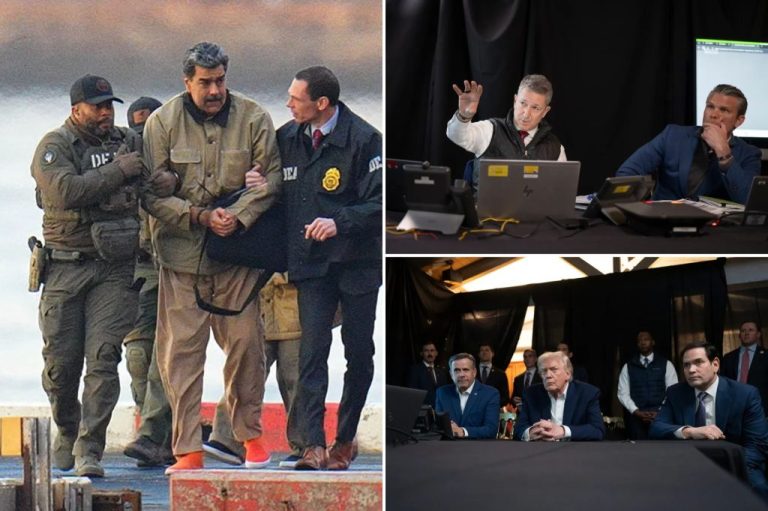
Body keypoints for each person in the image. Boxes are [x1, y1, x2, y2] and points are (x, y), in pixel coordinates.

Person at [141, 41, 282, 474]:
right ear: (188, 82)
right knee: (180, 355)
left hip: (237, 256)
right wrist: (199, 216)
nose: (215, 89)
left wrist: (236, 218)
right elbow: (148, 193)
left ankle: (250, 439)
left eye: (220, 80)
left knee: (246, 346)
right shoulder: (160, 123)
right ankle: (188, 450)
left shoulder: (255, 117)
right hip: (182, 258)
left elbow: (272, 179)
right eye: (205, 82)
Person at [247, 65, 381, 471]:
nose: (288, 105)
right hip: (310, 266)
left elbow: (380, 204)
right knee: (311, 353)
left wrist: (339, 221)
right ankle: (312, 445)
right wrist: (257, 180)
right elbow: (271, 186)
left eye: (296, 99)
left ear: (321, 104)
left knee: (358, 352)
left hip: (357, 262)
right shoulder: (285, 139)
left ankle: (344, 439)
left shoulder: (364, 139)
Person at [30, 74, 147, 477]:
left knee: (103, 359)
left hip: (114, 269)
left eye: (108, 106)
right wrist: (117, 172)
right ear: (75, 109)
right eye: (96, 106)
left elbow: (154, 179)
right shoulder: (54, 147)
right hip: (65, 268)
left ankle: (89, 450)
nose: (104, 114)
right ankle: (66, 426)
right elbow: (65, 192)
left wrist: (164, 179)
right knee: (61, 368)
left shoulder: (127, 142)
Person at [202, 273, 322, 469]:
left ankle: (304, 446)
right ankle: (228, 438)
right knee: (245, 368)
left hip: (294, 301)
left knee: (295, 374)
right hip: (259, 298)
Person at [121, 96, 175, 468]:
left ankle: (156, 432)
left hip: (172, 265)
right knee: (138, 355)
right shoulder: (122, 164)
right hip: (136, 270)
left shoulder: (173, 165)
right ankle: (153, 433)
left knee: (165, 355)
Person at [649, 341, 768, 497]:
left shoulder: (745, 394)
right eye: (686, 365)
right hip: (687, 465)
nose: (691, 370)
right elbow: (656, 427)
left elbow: (758, 445)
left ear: (715, 364)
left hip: (737, 464)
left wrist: (721, 470)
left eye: (698, 362)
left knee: (758, 488)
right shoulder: (675, 393)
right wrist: (689, 431)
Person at [616, 84, 761, 204]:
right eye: (710, 106)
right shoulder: (672, 135)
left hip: (713, 231)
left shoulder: (749, 154)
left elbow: (747, 199)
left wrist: (723, 152)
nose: (713, 114)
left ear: (739, 121)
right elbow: (626, 173)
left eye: (724, 110)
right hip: (663, 221)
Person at [446, 74, 566, 189]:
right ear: (515, 100)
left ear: (545, 111)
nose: (526, 113)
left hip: (534, 210)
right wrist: (464, 116)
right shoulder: (491, 129)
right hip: (488, 210)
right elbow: (456, 135)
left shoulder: (555, 148)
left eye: (535, 108)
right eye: (523, 103)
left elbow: (560, 190)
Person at [514, 351, 605, 441]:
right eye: (544, 371)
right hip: (540, 451)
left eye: (554, 370)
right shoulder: (531, 394)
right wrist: (530, 432)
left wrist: (563, 431)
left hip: (575, 452)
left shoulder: (587, 393)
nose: (548, 375)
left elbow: (597, 430)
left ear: (568, 374)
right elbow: (519, 429)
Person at [617, 331, 678, 440]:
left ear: (653, 342)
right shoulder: (628, 366)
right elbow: (623, 393)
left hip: (661, 417)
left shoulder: (666, 364)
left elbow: (672, 391)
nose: (643, 342)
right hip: (636, 417)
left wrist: (660, 412)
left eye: (646, 339)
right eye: (640, 340)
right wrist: (636, 411)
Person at [435, 353, 500, 439]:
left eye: (465, 370)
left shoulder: (490, 394)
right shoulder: (442, 393)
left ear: (474, 372)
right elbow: (437, 427)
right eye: (457, 370)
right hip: (448, 448)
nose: (461, 374)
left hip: (478, 448)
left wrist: (463, 431)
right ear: (451, 374)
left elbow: (491, 430)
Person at [720, 321, 768, 417]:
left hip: (760, 406)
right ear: (739, 335)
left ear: (758, 334)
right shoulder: (729, 357)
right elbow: (723, 382)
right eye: (743, 330)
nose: (746, 333)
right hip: (734, 406)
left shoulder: (766, 355)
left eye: (750, 330)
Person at [406, 341, 451, 408]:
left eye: (432, 350)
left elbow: (445, 392)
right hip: (422, 411)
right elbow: (412, 392)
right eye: (426, 351)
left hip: (440, 410)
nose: (430, 353)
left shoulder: (441, 373)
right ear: (421, 353)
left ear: (436, 353)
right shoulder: (414, 370)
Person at [476, 343, 510, 407]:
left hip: (493, 411)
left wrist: (492, 405)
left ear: (493, 354)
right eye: (482, 350)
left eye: (487, 350)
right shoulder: (471, 372)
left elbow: (505, 397)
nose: (484, 352)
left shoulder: (501, 374)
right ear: (479, 354)